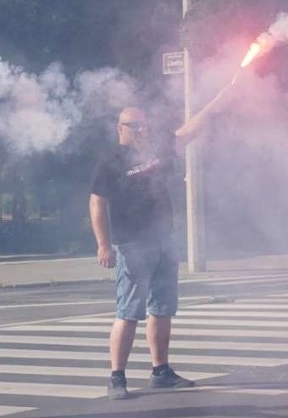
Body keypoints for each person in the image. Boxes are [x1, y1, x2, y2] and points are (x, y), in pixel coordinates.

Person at [90, 86, 234, 400]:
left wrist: (220, 98)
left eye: (145, 126)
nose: (142, 131)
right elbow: (97, 204)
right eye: (135, 127)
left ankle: (161, 371)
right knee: (128, 312)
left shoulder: (156, 149)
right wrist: (104, 244)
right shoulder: (111, 161)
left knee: (162, 309)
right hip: (131, 244)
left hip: (163, 240)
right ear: (120, 129)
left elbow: (190, 130)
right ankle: (117, 377)